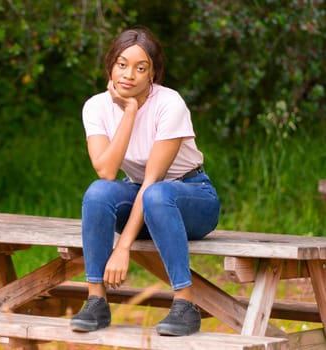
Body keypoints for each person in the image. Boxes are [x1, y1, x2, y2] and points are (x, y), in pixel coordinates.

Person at [70, 26, 220, 336]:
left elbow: (153, 180)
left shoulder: (170, 103)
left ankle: (185, 305)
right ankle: (96, 300)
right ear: (111, 65)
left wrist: (123, 247)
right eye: (122, 64)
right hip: (143, 195)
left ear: (153, 74)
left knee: (157, 194)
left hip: (193, 197)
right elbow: (107, 171)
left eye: (141, 68)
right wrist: (130, 111)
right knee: (98, 192)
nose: (129, 75)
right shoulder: (96, 107)